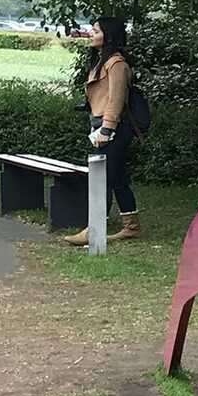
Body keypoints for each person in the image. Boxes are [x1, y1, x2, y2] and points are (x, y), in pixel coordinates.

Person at [64, 16, 141, 245]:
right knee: (117, 178)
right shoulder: (103, 61)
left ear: (109, 36)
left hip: (114, 128)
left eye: (96, 30)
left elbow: (116, 100)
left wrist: (106, 129)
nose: (91, 33)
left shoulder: (116, 64)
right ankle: (131, 226)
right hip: (102, 125)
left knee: (102, 178)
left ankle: (95, 229)